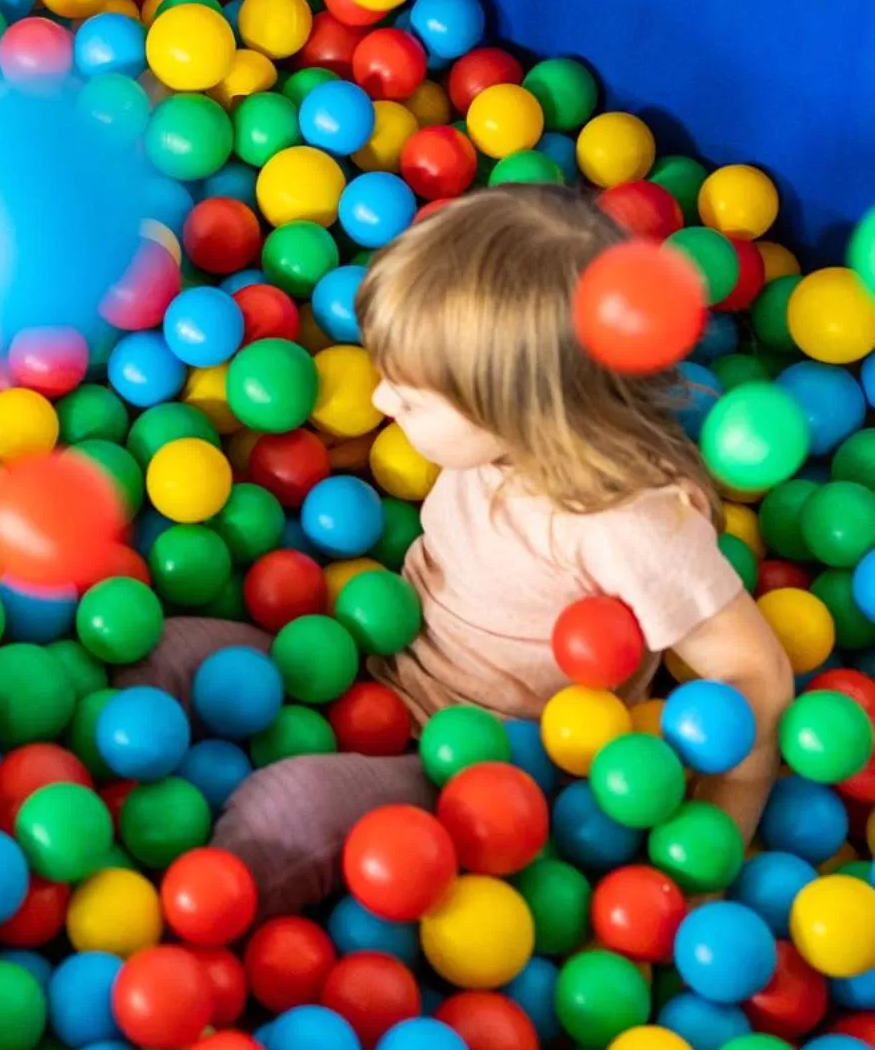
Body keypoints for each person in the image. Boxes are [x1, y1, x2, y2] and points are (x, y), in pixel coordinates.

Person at [123, 186, 793, 918]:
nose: (380, 403)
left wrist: (710, 856)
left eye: (408, 400)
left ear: (517, 410)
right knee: (161, 653)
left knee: (288, 810)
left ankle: (184, 928)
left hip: (487, 763)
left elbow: (754, 673)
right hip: (371, 660)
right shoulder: (499, 436)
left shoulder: (624, 523)